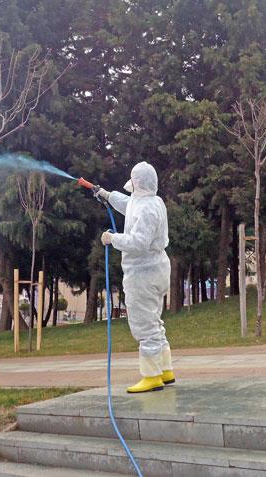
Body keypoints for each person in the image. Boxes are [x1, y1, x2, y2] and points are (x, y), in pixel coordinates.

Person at [96, 162, 175, 393]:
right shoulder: (152, 201)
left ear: (138, 182)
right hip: (156, 270)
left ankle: (151, 376)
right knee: (154, 322)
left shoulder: (147, 209)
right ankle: (165, 370)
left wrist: (113, 239)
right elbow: (129, 204)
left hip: (143, 274)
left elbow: (139, 243)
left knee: (144, 325)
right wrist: (106, 195)